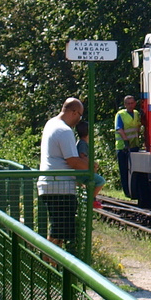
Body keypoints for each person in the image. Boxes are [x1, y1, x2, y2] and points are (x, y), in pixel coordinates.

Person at [37, 97, 89, 245]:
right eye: (80, 115)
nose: (79, 120)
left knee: (57, 232)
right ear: (73, 112)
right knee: (58, 233)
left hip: (51, 184)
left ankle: (50, 263)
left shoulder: (51, 123)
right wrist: (90, 167)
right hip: (60, 187)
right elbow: (72, 161)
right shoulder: (64, 131)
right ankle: (48, 264)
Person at [113, 94, 145, 198]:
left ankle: (134, 191)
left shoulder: (136, 113)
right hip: (123, 147)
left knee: (133, 170)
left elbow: (139, 126)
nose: (131, 105)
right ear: (125, 105)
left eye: (132, 103)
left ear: (135, 103)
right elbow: (119, 129)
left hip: (134, 146)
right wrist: (126, 141)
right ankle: (127, 192)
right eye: (128, 104)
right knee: (124, 170)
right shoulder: (120, 114)